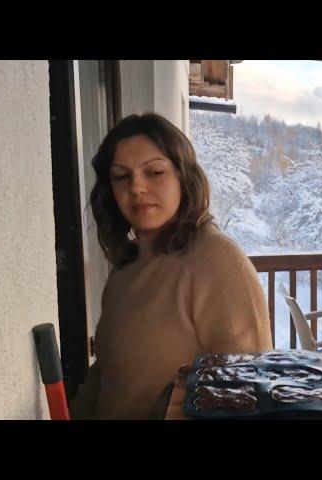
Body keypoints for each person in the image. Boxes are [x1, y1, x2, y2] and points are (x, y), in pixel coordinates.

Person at [70, 113, 272, 419]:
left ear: (183, 177)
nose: (136, 187)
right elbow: (107, 374)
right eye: (121, 176)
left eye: (154, 172)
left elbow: (250, 393)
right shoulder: (126, 269)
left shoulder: (218, 261)